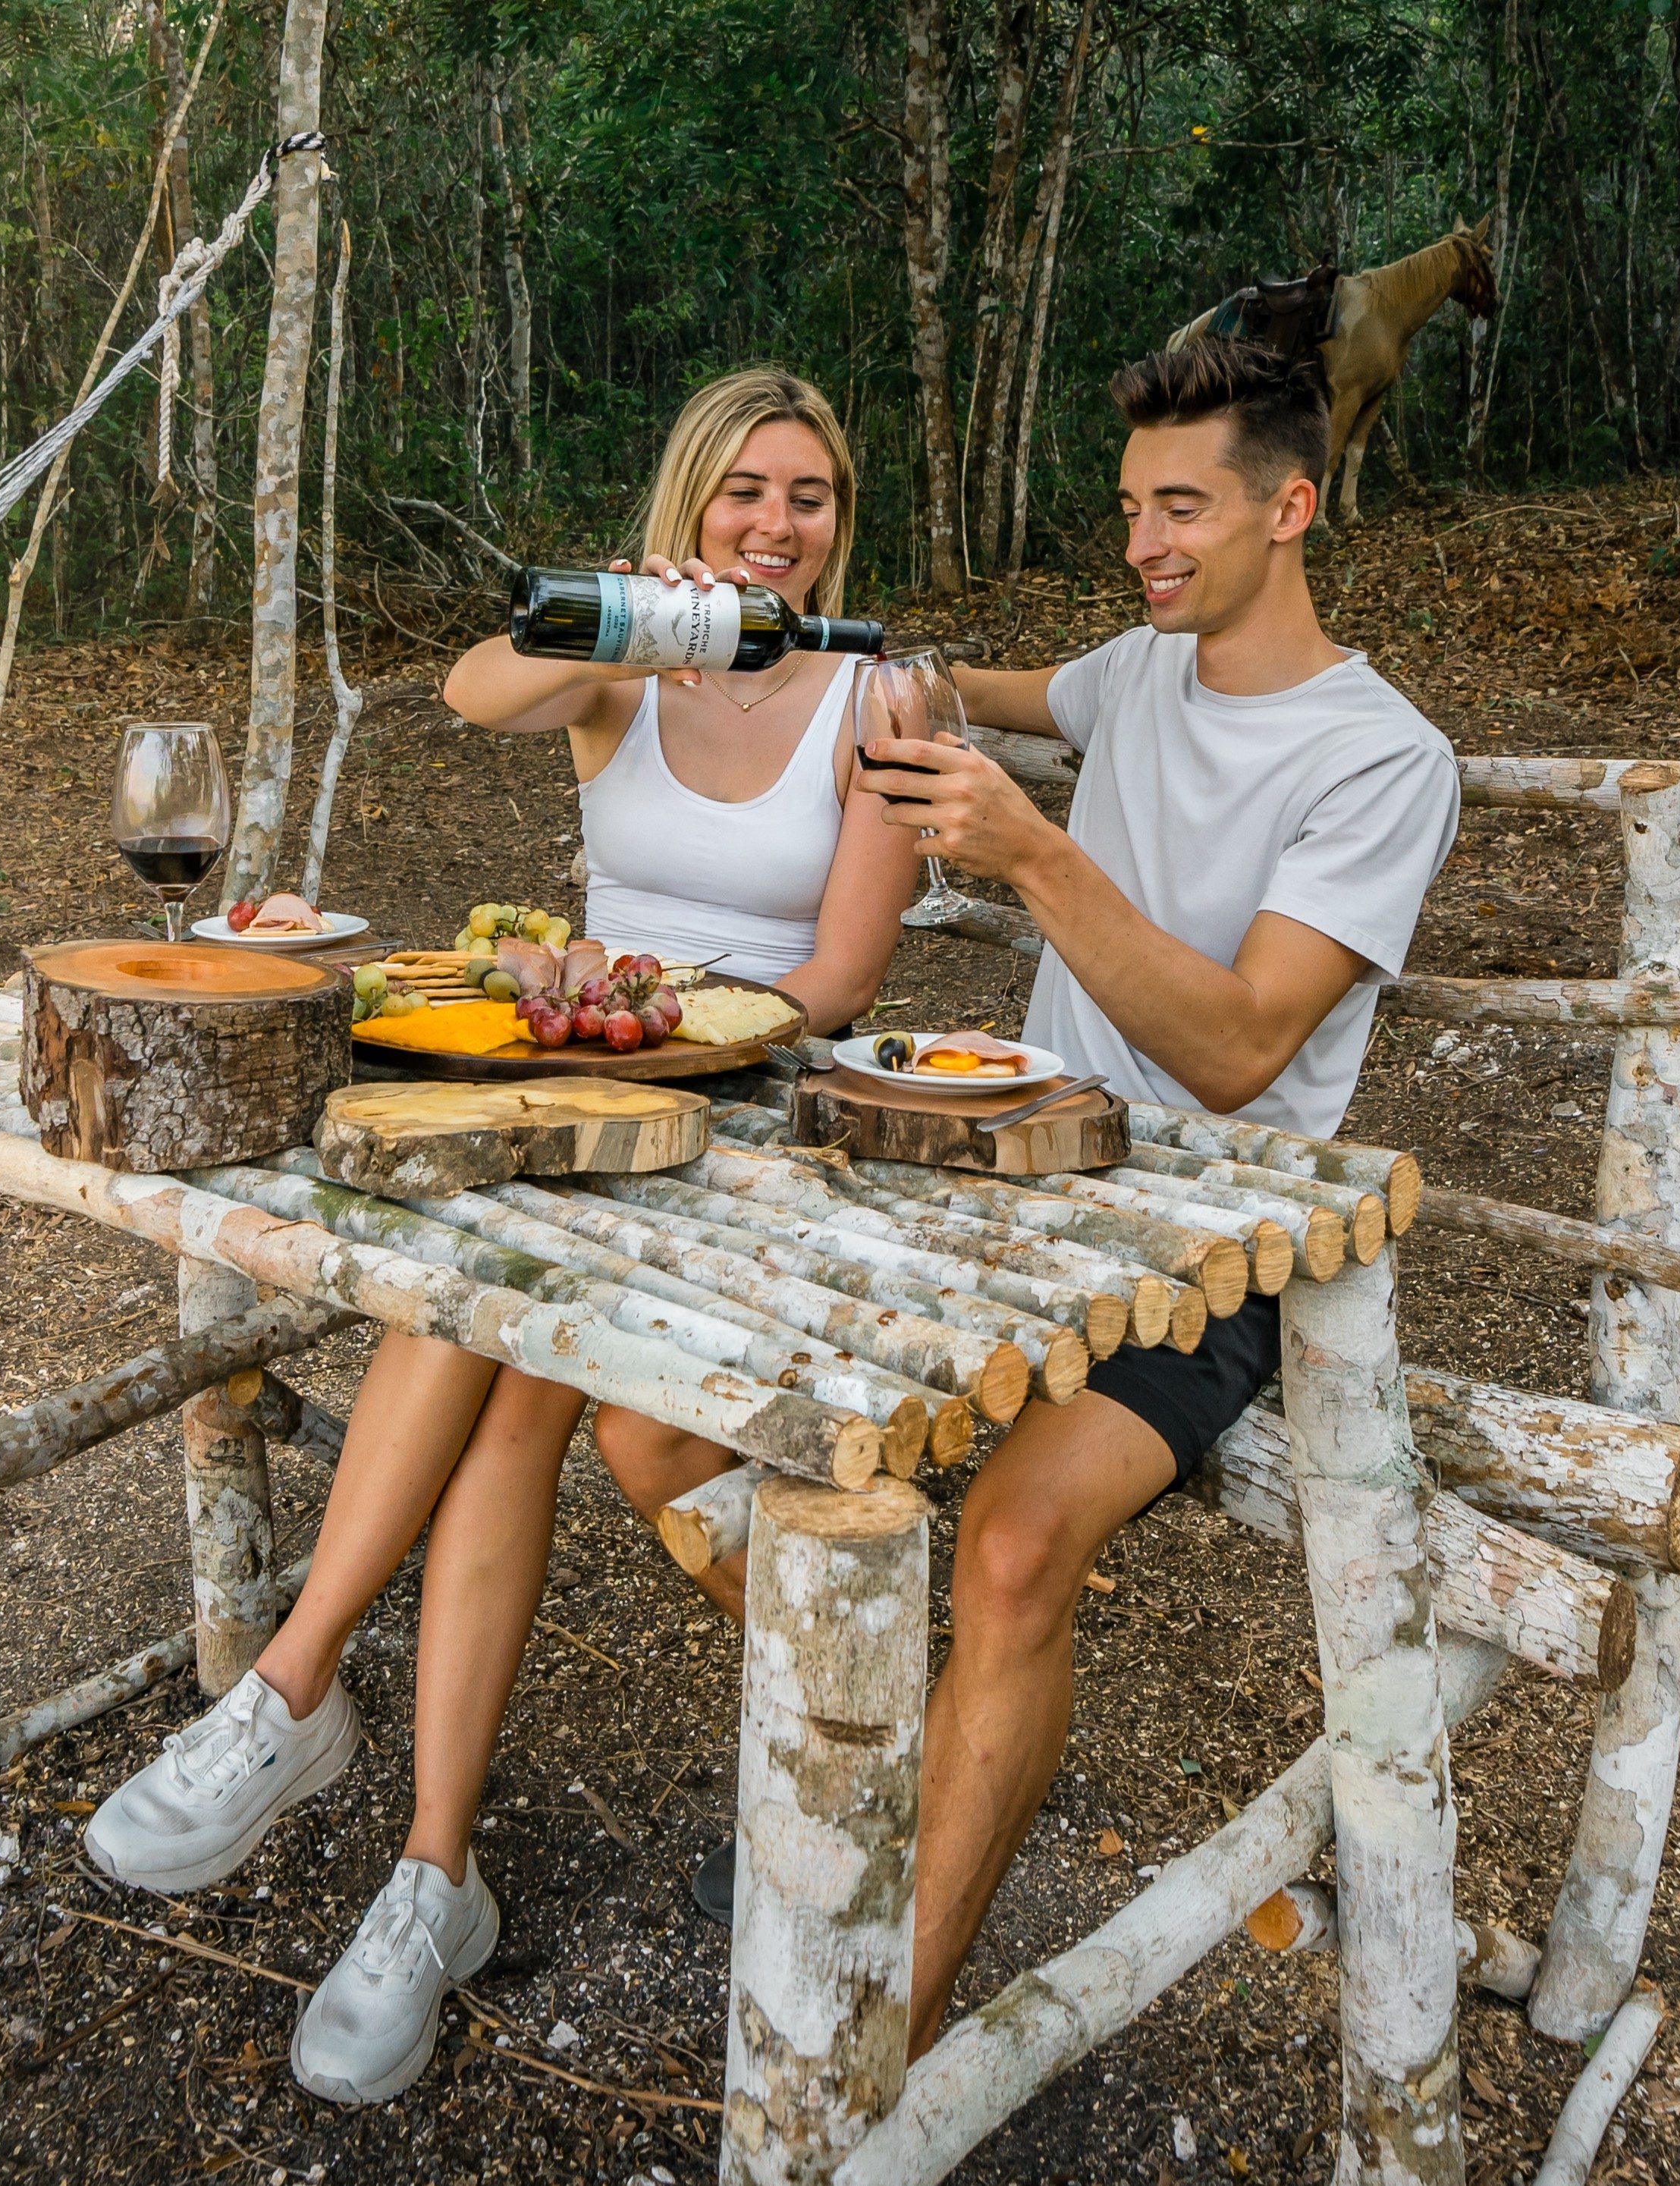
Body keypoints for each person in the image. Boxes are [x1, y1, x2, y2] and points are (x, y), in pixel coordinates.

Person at [80, 367, 911, 2105]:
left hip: (739, 1115)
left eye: (808, 496)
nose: (775, 523)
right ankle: (424, 1873)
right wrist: (655, 627)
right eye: (742, 492)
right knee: (498, 1348)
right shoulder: (627, 663)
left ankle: (303, 1703)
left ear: (843, 515)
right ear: (688, 506)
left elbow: (835, 980)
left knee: (476, 1326)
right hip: (565, 1101)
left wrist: (650, 1017)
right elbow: (470, 692)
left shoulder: (875, 695)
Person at [859, 334, 1462, 2050]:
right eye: (1128, 507)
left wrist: (1036, 854)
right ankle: (921, 1768)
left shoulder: (1376, 757)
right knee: (678, 1421)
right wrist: (838, 659)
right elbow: (981, 689)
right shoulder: (1133, 671)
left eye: (1179, 507)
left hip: (1206, 1240)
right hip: (1011, 1180)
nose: (1141, 542)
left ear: (1292, 507)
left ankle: (878, 2042)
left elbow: (1240, 1051)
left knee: (1010, 1540)